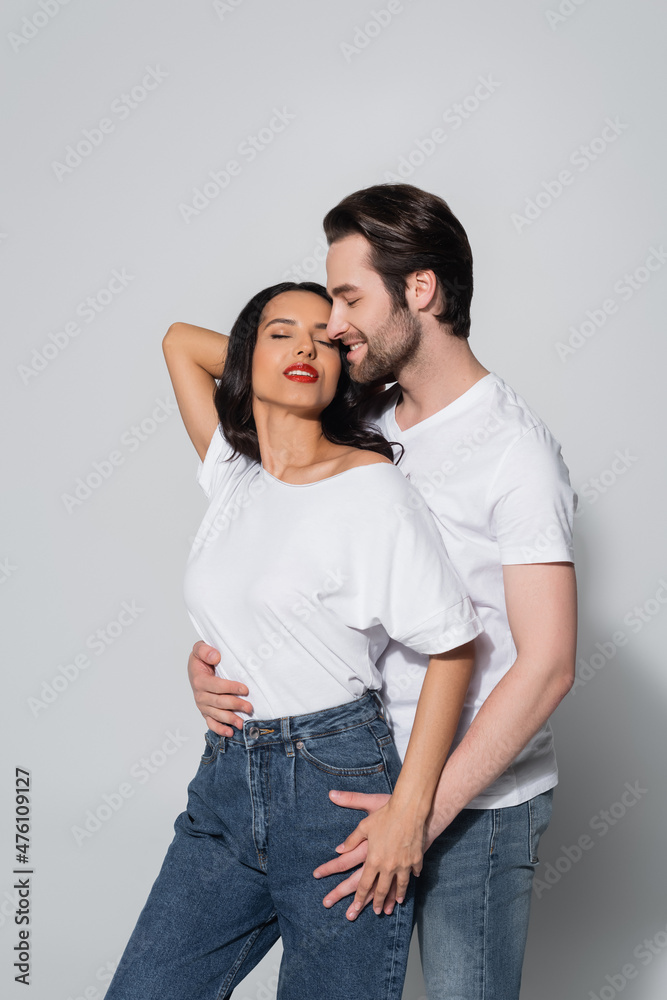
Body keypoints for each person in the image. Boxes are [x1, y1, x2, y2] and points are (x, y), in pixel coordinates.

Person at [185, 185, 578, 1000]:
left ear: (421, 291)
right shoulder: (365, 415)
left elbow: (546, 666)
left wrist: (417, 813)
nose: (332, 323)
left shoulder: (514, 453)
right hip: (345, 779)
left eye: (350, 296)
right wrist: (223, 662)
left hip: (474, 807)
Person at [104, 279, 482, 1000]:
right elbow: (179, 341)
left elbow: (452, 648)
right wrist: (206, 666)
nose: (306, 345)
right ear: (248, 356)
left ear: (344, 368)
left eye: (324, 338)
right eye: (282, 332)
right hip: (223, 785)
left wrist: (409, 808)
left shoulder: (369, 488)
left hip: (333, 789)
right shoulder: (234, 471)